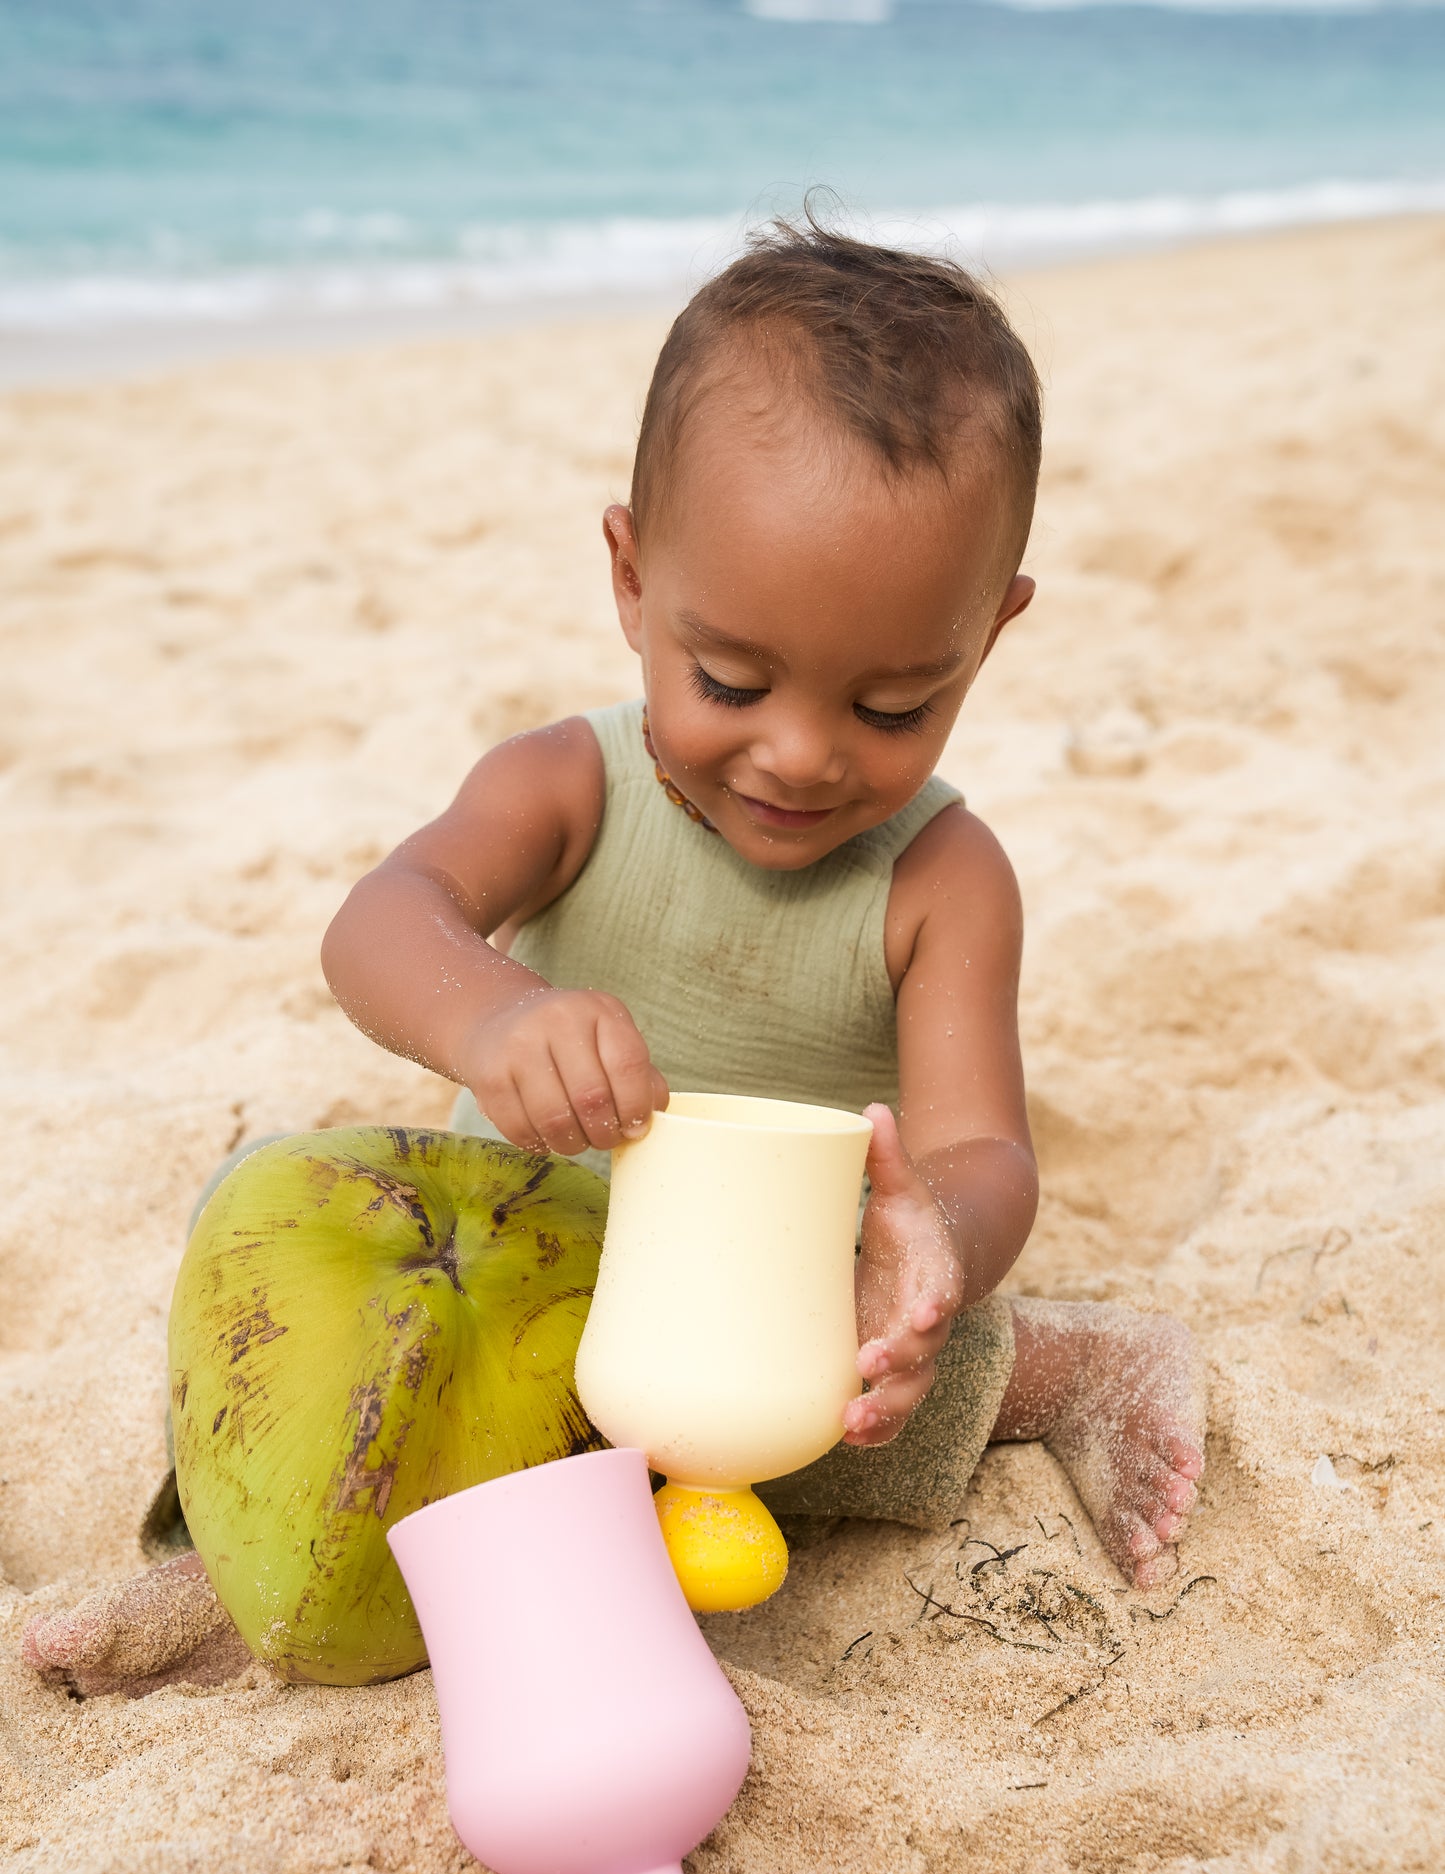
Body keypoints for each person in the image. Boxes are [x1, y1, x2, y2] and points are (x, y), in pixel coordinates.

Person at [23, 217, 1202, 1700]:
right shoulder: (563, 786)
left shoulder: (943, 880)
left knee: (853, 1394)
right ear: (632, 579)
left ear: (989, 636)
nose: (799, 753)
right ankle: (244, 1568)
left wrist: (930, 1254)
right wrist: (492, 1015)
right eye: (729, 681)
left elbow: (981, 1151)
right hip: (506, 1270)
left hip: (750, 1308)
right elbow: (380, 922)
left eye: (895, 705)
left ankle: (1068, 1369)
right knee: (271, 1277)